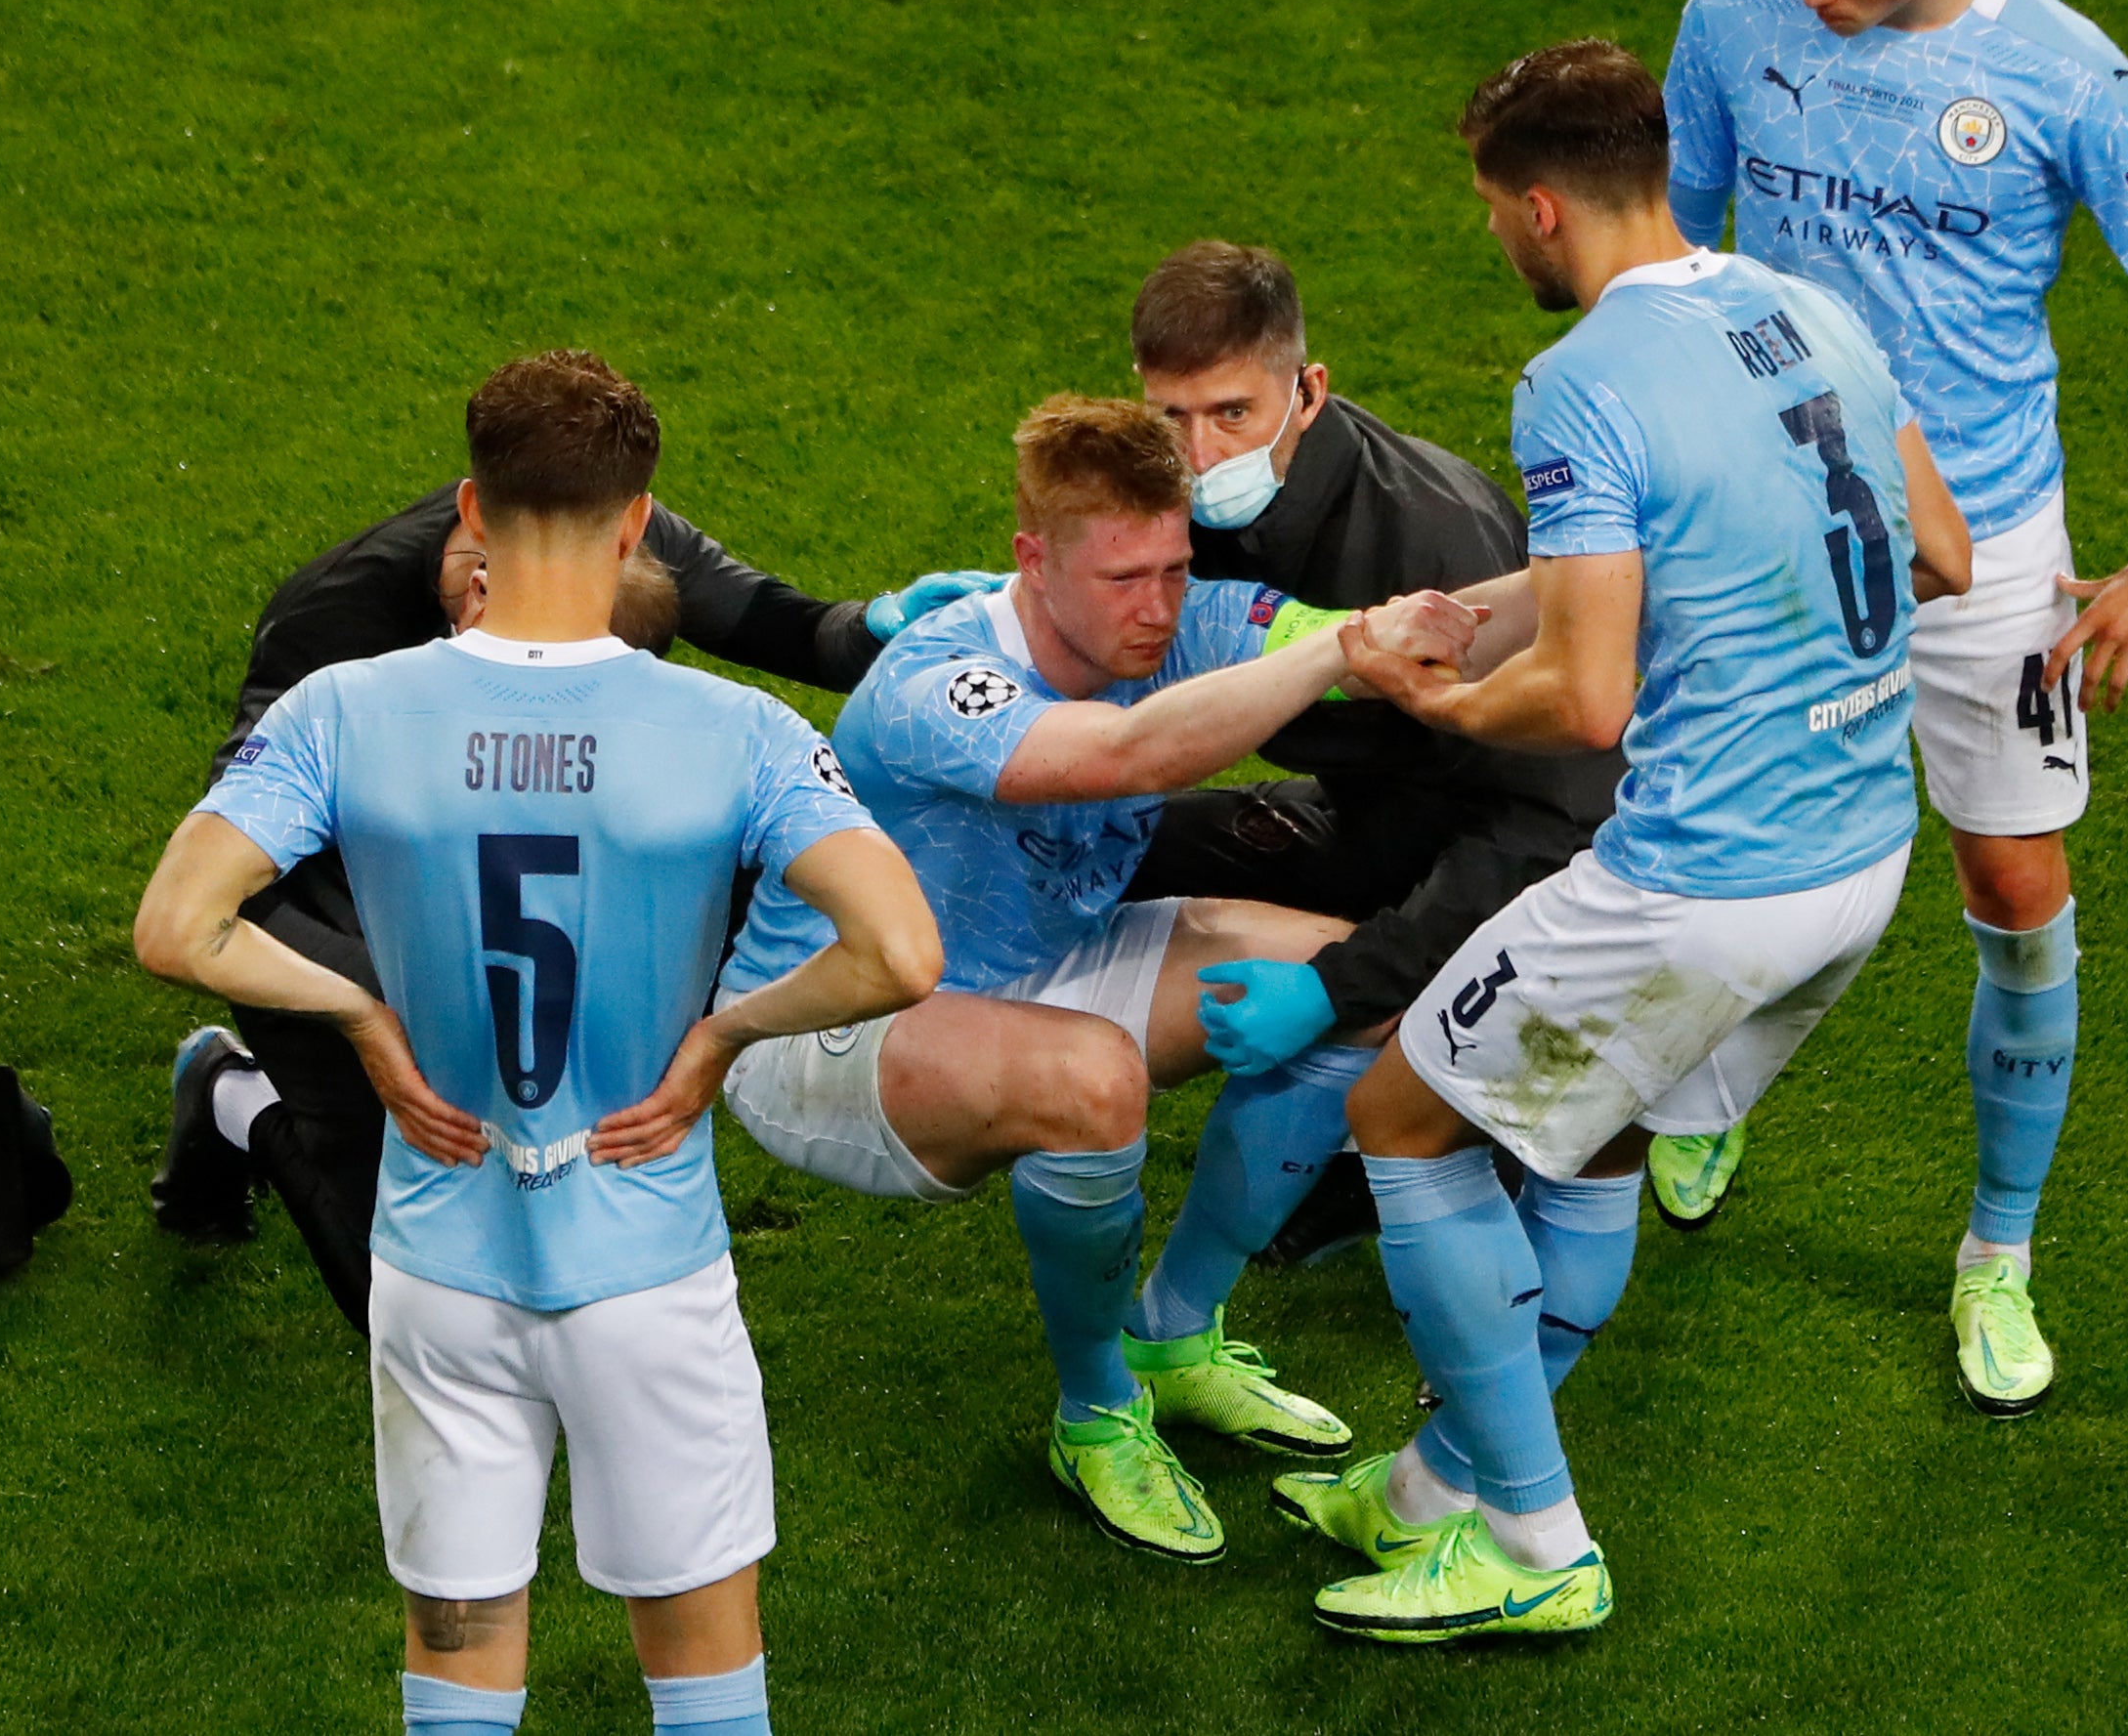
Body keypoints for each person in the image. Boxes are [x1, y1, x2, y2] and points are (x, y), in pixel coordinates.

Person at [134, 352, 941, 1736]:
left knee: (456, 1653)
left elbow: (177, 927)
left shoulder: (345, 710)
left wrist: (361, 1017)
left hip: (442, 1260)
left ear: (470, 508)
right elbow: (901, 953)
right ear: (638, 523)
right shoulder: (735, 730)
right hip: (648, 1268)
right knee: (702, 1667)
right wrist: (720, 1038)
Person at [1277, 41, 1969, 1642]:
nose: (1497, 243)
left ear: (1535, 207)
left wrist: (1442, 706)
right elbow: (1935, 549)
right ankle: (1435, 1488)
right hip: (1861, 858)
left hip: (1698, 876)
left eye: (1488, 215)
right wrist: (1467, 613)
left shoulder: (1580, 375)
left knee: (1402, 1115)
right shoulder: (1807, 306)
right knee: (1585, 1129)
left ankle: (1535, 1539)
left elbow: (1583, 697)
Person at [1656, 0, 2128, 1415]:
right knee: (1728, 842)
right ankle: (1708, 1090)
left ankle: (1998, 1248)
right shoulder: (1729, 7)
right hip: (1776, 528)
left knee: (2011, 881)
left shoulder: (2061, 72)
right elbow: (1680, 236)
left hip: (1983, 555)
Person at [719, 396, 1415, 1563]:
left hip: (1045, 965)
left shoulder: (1169, 618)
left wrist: (1573, 597)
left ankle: (1174, 1336)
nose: (1157, 607)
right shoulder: (937, 682)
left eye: (1175, 567)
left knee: (1362, 984)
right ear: (1032, 560)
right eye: (1123, 576)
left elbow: (1350, 631)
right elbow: (1126, 754)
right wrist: (1335, 656)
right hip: (832, 1024)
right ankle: (1097, 1412)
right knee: (1092, 1084)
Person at [149, 475, 974, 1333]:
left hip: (533, 870)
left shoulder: (604, 531)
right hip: (333, 908)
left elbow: (788, 628)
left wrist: (885, 628)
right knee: (395, 1293)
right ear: (473, 562)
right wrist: (390, 1009)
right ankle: (231, 1095)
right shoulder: (334, 630)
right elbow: (233, 888)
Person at [1114, 241, 1623, 1259]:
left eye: (1231, 414)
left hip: (1540, 851)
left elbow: (1553, 818)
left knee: (1415, 999)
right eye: (1171, 417)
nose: (1201, 455)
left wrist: (1341, 982)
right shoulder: (1159, 496)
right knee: (1101, 837)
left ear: (1308, 391)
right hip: (1376, 810)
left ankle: (1454, 1122)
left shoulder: (1433, 541)